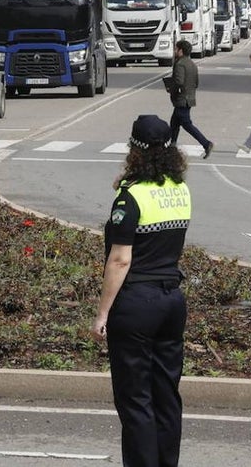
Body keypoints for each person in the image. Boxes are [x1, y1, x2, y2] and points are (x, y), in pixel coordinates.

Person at [93, 114, 191, 467]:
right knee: (166, 395)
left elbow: (120, 259)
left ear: (133, 149)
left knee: (135, 399)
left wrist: (103, 313)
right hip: (171, 301)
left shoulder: (130, 196)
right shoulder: (180, 190)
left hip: (136, 303)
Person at [167, 39, 213, 159]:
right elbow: (196, 83)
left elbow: (179, 81)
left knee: (187, 124)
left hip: (182, 99)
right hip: (189, 98)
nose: (175, 51)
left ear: (181, 51)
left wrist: (171, 88)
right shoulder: (192, 64)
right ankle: (172, 146)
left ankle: (206, 143)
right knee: (174, 123)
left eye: (176, 49)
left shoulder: (180, 64)